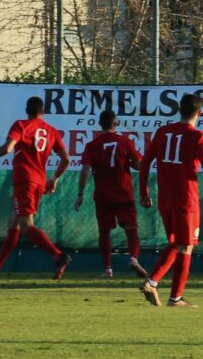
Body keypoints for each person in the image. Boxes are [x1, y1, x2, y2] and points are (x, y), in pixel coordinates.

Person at [0, 96, 72, 279]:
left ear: (26, 110)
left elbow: (8, 149)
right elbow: (66, 159)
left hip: (25, 180)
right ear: (43, 111)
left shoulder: (21, 125)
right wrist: (54, 179)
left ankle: (58, 256)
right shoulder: (52, 131)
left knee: (26, 225)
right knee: (14, 223)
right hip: (39, 181)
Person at [138, 94, 203, 307]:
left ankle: (153, 282)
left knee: (175, 242)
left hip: (165, 199)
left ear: (179, 110)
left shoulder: (163, 132)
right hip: (186, 199)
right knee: (186, 246)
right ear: (200, 112)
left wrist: (143, 191)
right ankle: (174, 297)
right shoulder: (198, 136)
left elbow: (145, 163)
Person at [74, 110, 147, 278]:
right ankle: (134, 259)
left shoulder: (92, 145)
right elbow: (139, 165)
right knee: (131, 229)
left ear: (100, 124)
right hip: (123, 193)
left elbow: (85, 171)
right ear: (116, 124)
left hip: (103, 195)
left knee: (104, 231)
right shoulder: (125, 142)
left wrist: (80, 194)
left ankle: (108, 269)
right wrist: (129, 164)